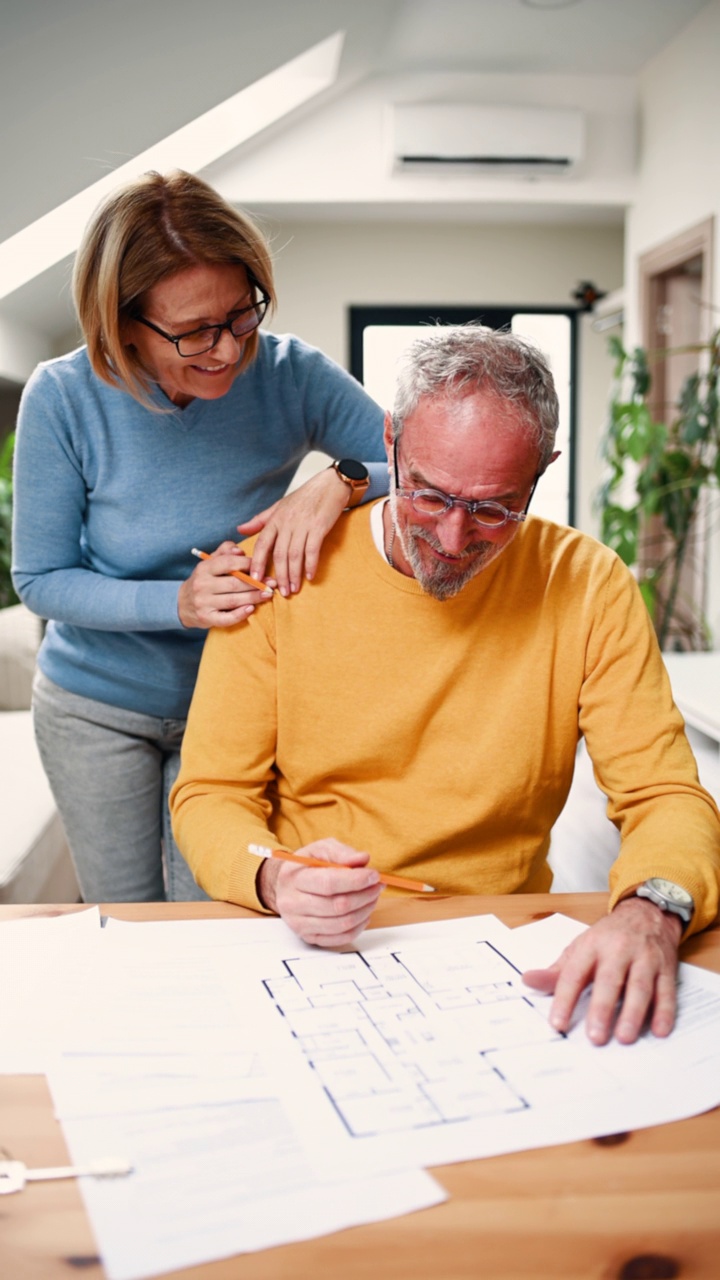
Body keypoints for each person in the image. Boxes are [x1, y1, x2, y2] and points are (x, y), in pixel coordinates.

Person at [171, 325, 720, 1044]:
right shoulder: (280, 568)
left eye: (494, 508)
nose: (455, 538)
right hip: (313, 948)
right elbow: (211, 793)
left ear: (543, 472)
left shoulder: (589, 584)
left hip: (505, 947)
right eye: (428, 495)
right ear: (390, 444)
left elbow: (663, 794)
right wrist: (276, 878)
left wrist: (651, 911)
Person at [11, 169, 386, 903]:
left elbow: (426, 467)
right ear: (121, 324)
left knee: (216, 918)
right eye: (192, 333)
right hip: (94, 706)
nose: (225, 350)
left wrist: (342, 480)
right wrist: (178, 603)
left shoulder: (290, 374)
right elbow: (41, 580)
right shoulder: (62, 398)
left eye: (241, 315)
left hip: (234, 709)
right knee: (128, 925)